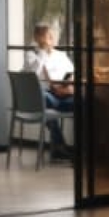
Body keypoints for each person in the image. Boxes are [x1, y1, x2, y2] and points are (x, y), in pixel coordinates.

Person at [23, 22, 74, 160]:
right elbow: (33, 74)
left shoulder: (61, 55)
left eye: (52, 35)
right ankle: (60, 147)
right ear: (37, 37)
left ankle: (66, 149)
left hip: (62, 95)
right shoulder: (31, 55)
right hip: (43, 95)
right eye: (47, 36)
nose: (51, 38)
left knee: (83, 103)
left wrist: (68, 86)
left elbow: (72, 73)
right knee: (45, 101)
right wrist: (43, 51)